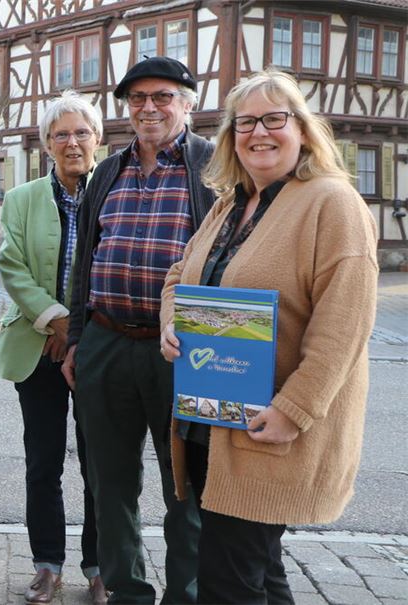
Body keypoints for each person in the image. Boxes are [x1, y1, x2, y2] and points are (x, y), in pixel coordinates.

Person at [159, 70, 378, 605]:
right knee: (259, 574)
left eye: (274, 119)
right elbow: (177, 275)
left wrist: (293, 410)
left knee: (227, 583)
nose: (259, 132)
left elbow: (344, 328)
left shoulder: (331, 202)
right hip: (213, 421)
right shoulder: (231, 204)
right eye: (245, 122)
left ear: (302, 128)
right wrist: (173, 320)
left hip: (268, 430)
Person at [63, 56, 207, 604]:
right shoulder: (107, 171)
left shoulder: (212, 167)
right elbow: (85, 264)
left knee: (185, 485)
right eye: (138, 98)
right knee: (110, 482)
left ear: (187, 103)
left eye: (162, 96)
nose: (148, 108)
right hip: (105, 341)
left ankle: (186, 595)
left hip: (179, 348)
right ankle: (127, 592)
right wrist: (78, 338)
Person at [0, 89, 107, 605]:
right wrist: (57, 322)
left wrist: (81, 334)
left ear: (98, 139)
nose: (72, 142)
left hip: (99, 349)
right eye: (60, 134)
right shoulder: (20, 200)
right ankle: (47, 565)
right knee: (43, 463)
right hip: (39, 346)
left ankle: (100, 565)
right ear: (45, 143)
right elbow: (12, 267)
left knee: (100, 463)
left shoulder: (115, 193)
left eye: (81, 132)